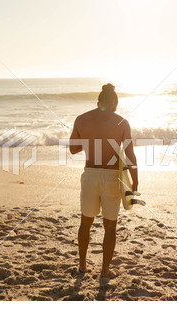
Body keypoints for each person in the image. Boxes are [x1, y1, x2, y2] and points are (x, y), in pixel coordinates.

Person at [69, 83, 138, 279]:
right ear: (114, 103)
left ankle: (82, 266)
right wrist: (135, 183)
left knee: (86, 223)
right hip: (111, 177)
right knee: (110, 226)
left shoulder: (81, 119)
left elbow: (73, 149)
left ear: (98, 102)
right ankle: (105, 270)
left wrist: (91, 139)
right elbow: (130, 155)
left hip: (90, 174)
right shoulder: (122, 122)